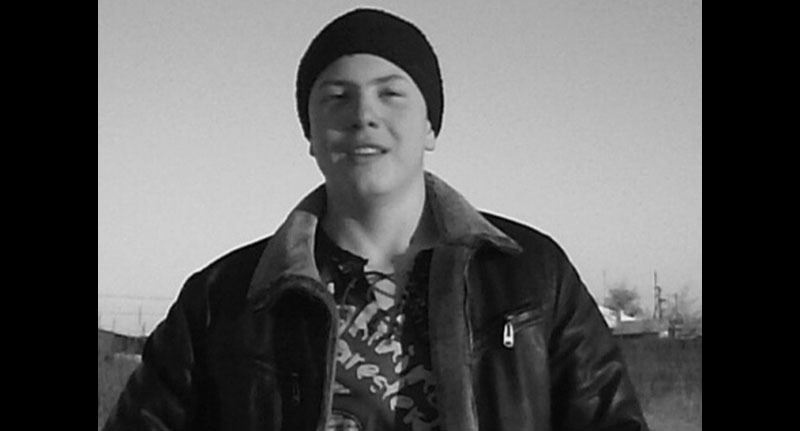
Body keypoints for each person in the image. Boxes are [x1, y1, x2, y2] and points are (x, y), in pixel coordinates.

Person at [104, 8, 649, 431]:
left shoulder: (531, 275)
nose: (363, 115)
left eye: (391, 95)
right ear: (310, 134)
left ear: (430, 127)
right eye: (336, 97)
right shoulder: (222, 301)